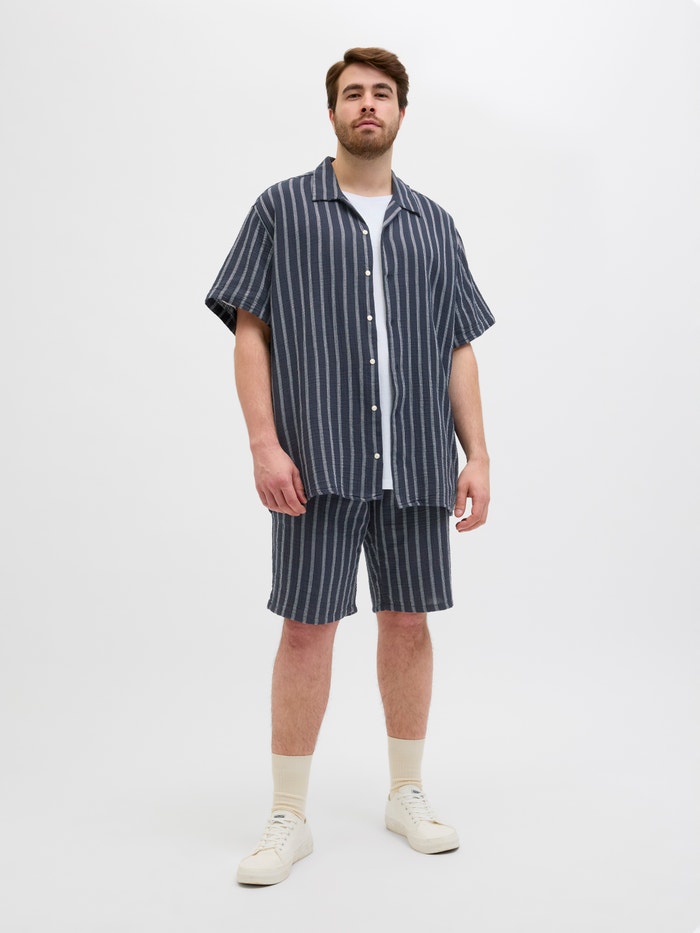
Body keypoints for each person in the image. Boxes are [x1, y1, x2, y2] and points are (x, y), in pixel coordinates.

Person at [205, 47, 495, 886]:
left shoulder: (434, 223)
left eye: (382, 94)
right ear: (332, 111)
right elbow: (250, 331)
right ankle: (287, 814)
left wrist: (477, 453)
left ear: (401, 111)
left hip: (418, 462)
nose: (368, 104)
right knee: (306, 627)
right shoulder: (281, 209)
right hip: (316, 461)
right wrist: (264, 443)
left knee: (408, 622)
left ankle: (407, 792)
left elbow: (458, 346)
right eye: (353, 93)